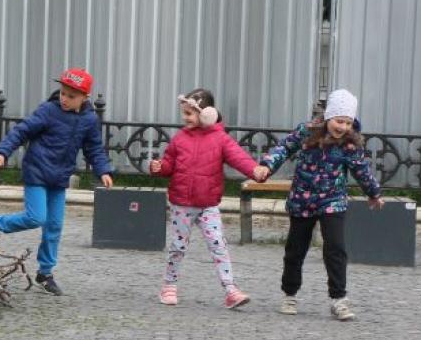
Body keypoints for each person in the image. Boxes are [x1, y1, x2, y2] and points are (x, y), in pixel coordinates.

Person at [252, 89, 384, 321]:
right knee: (295, 249)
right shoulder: (306, 132)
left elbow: (361, 170)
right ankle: (289, 294)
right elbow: (284, 148)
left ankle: (339, 299)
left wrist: (373, 193)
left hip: (333, 201)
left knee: (335, 249)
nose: (342, 127)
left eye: (347, 122)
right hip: (302, 200)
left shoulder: (350, 145)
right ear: (327, 117)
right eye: (338, 120)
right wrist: (266, 166)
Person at [0, 67, 114, 295]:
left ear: (85, 98)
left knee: (54, 226)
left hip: (59, 178)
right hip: (37, 172)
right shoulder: (48, 111)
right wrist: (2, 152)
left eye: (71, 96)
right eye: (63, 93)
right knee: (36, 217)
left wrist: (103, 170)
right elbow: (21, 131)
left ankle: (45, 272)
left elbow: (94, 148)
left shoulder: (89, 120)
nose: (65, 99)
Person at [149, 88, 264, 309]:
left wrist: (255, 170)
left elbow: (239, 157)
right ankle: (169, 286)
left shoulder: (221, 139)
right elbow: (168, 165)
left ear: (207, 114)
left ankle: (231, 290)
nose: (185, 117)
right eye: (184, 112)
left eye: (190, 113)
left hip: (208, 205)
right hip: (182, 204)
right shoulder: (179, 139)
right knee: (178, 247)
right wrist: (158, 168)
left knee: (218, 245)